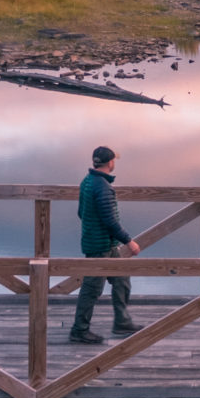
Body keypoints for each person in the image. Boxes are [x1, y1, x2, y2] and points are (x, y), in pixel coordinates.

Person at [69, 144, 139, 343]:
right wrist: (129, 242)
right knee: (92, 288)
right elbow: (109, 220)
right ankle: (79, 330)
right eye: (113, 160)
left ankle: (122, 322)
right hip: (100, 246)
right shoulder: (102, 186)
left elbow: (81, 212)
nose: (114, 163)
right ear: (110, 163)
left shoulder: (87, 181)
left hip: (104, 243)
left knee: (121, 280)